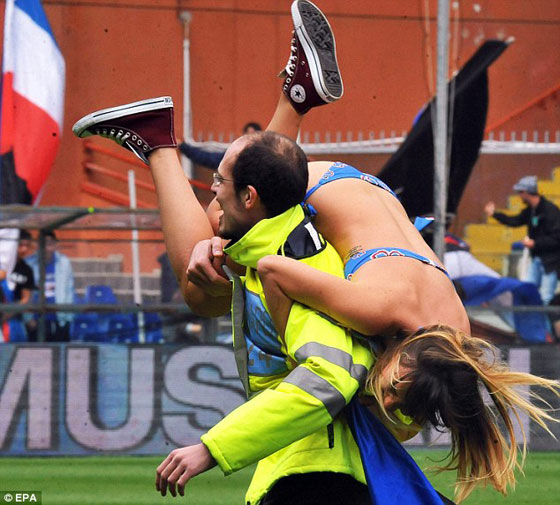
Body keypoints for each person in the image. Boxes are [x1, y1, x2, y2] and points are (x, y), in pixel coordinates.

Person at [71, 1, 560, 502]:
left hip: (369, 199)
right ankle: (163, 139)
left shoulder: (451, 340)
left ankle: (297, 95)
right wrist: (237, 267)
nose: (386, 392)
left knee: (225, 243)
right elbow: (275, 270)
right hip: (323, 192)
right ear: (407, 354)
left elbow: (405, 404)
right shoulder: (378, 309)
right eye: (393, 385)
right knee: (204, 279)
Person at [485, 175, 560, 305]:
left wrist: (535, 243)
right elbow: (515, 221)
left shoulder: (550, 211)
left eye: (520, 192)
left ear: (526, 192)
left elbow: (557, 238)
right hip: (537, 258)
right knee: (527, 291)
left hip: (551, 262)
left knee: (546, 297)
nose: (519, 196)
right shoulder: (531, 211)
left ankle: (545, 319)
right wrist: (495, 214)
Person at [25, 230, 75, 342]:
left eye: (50, 244)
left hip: (60, 319)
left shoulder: (64, 263)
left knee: (60, 350)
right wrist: (28, 319)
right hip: (36, 320)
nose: (47, 248)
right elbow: (24, 293)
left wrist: (68, 318)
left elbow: (69, 291)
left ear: (55, 245)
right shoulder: (28, 263)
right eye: (43, 244)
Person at [179, 121, 262, 170]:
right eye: (247, 136)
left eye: (253, 136)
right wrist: (183, 146)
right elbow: (208, 158)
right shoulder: (235, 156)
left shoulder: (263, 157)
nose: (249, 139)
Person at [0, 229, 36, 342]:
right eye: (20, 245)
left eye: (27, 246)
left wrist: (9, 312)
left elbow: (26, 298)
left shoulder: (26, 270)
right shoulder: (2, 265)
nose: (24, 249)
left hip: (14, 321)